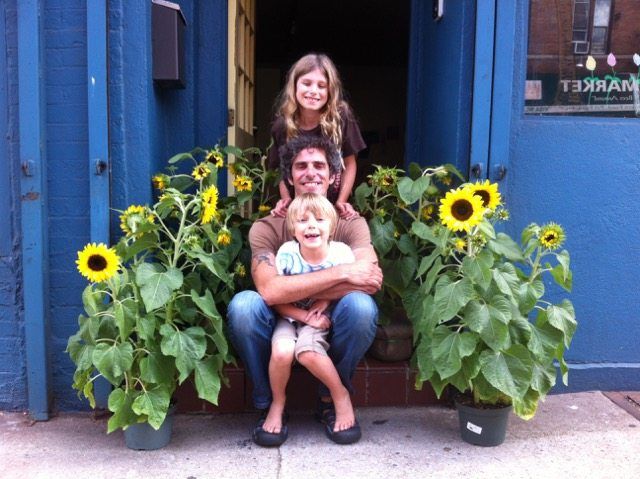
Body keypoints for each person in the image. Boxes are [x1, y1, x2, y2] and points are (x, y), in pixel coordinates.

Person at [227, 134, 382, 446]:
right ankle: (270, 401)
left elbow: (370, 280)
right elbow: (270, 291)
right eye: (301, 166)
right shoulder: (267, 228)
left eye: (319, 165)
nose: (311, 172)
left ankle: (331, 397)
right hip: (285, 317)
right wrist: (344, 272)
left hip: (328, 317)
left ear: (333, 175)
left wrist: (315, 289)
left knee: (361, 307)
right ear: (289, 176)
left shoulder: (350, 224)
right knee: (244, 306)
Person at [260, 193, 358, 447]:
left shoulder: (340, 253)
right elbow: (276, 299)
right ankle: (278, 401)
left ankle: (340, 395)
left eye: (320, 219)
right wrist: (303, 315)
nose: (311, 225)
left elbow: (349, 286)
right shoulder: (287, 254)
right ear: (293, 228)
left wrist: (323, 303)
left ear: (332, 226)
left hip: (320, 318)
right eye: (302, 220)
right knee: (282, 351)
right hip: (291, 316)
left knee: (307, 353)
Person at [267, 53, 366, 220]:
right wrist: (286, 201)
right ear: (294, 86)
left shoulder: (341, 117)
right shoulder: (283, 124)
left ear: (330, 90)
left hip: (332, 206)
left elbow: (350, 163)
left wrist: (341, 201)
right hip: (298, 209)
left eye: (321, 86)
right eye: (306, 83)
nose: (314, 91)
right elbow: (280, 170)